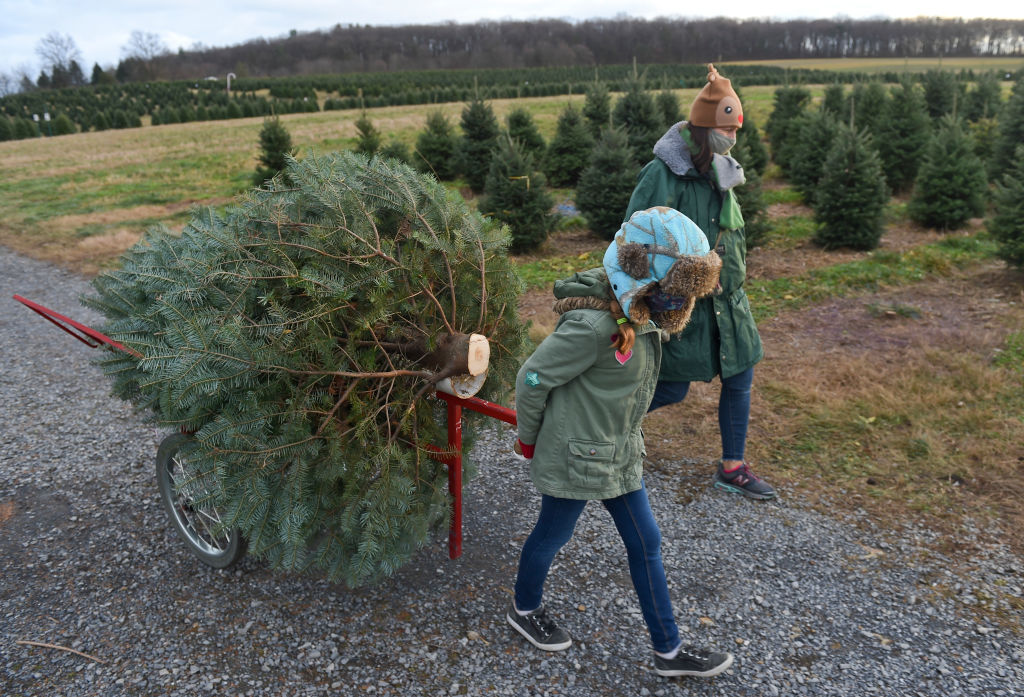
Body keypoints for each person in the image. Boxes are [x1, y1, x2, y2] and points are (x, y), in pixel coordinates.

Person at [507, 206, 733, 679]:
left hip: (619, 453)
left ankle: (668, 652)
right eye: (674, 289)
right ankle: (524, 610)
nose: (678, 301)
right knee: (552, 535)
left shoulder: (642, 312)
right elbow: (532, 378)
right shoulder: (593, 328)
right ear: (639, 272)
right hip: (578, 455)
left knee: (646, 541)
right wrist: (529, 440)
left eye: (685, 292)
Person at [623, 63, 777, 500]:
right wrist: (653, 296)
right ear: (707, 128)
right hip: (682, 302)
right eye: (727, 129)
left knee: (740, 374)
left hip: (729, 301)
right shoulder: (663, 173)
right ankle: (602, 429)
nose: (733, 138)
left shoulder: (722, 171)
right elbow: (636, 238)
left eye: (736, 130)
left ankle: (733, 466)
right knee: (670, 387)